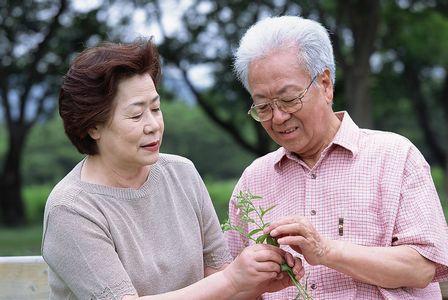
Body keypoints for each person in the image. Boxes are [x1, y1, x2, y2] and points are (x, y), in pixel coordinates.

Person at [41, 39, 304, 300]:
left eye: (155, 108)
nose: (153, 124)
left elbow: (217, 275)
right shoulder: (71, 209)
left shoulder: (182, 173)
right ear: (92, 127)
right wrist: (232, 280)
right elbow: (224, 280)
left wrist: (253, 284)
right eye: (136, 115)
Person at [226, 16, 448, 299]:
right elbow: (233, 284)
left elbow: (422, 267)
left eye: (289, 99)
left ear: (325, 84)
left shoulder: (395, 157)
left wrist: (326, 251)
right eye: (263, 106)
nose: (278, 117)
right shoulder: (254, 179)